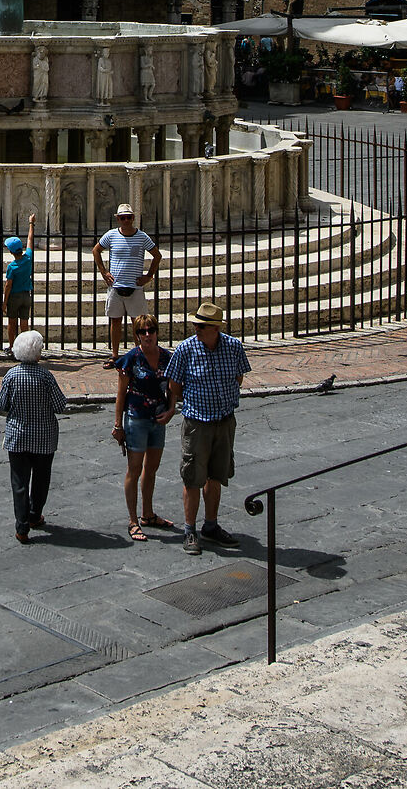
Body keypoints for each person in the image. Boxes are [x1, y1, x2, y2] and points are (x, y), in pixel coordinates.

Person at [165, 302, 250, 553]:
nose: (197, 329)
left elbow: (239, 378)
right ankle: (189, 530)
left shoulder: (233, 347)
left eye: (202, 326)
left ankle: (211, 526)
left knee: (216, 475)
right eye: (196, 324)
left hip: (224, 421)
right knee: (193, 477)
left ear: (215, 328)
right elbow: (174, 385)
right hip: (197, 423)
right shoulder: (186, 349)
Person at [0, 331, 66, 544]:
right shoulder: (46, 376)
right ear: (37, 353)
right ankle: (35, 515)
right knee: (41, 479)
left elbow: (2, 404)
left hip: (18, 436)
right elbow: (60, 405)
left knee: (19, 482)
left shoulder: (11, 375)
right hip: (44, 436)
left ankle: (22, 526)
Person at [111, 314, 174, 540]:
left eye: (151, 330)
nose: (147, 335)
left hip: (158, 419)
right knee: (134, 469)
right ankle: (133, 520)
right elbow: (121, 393)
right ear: (136, 335)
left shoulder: (167, 357)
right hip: (136, 418)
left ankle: (148, 514)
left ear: (157, 332)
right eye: (142, 332)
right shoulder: (131, 359)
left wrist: (171, 409)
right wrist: (118, 425)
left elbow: (173, 387)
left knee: (152, 468)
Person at [92, 203, 163, 356]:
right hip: (116, 286)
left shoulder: (142, 236)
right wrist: (104, 272)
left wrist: (149, 276)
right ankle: (115, 355)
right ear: (118, 219)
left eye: (128, 217)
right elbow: (96, 250)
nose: (126, 220)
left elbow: (157, 255)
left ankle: (140, 355)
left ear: (133, 218)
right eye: (123, 218)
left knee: (138, 324)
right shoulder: (111, 235)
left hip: (135, 287)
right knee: (115, 321)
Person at [1, 220, 35, 344]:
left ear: (11, 252)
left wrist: (4, 303)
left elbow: (8, 285)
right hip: (26, 295)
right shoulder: (28, 258)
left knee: (12, 322)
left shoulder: (12, 267)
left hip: (14, 296)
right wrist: (31, 224)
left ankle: (12, 347)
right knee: (24, 323)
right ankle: (25, 347)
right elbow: (30, 240)